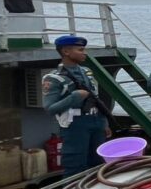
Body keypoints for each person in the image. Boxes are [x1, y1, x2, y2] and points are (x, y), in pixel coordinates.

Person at [42, 35, 111, 177]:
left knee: (99, 163)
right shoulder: (54, 78)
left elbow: (96, 99)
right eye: (80, 49)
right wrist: (74, 97)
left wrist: (104, 123)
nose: (84, 53)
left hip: (95, 120)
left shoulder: (86, 72)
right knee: (75, 165)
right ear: (66, 52)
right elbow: (50, 108)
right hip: (75, 125)